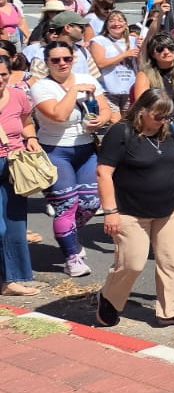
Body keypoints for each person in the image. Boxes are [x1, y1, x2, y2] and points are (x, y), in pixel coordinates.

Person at [93, 89, 174, 329]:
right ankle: (109, 298)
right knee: (132, 263)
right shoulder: (121, 133)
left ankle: (172, 310)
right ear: (142, 111)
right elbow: (104, 173)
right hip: (131, 211)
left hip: (169, 207)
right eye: (158, 116)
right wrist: (110, 211)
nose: (163, 121)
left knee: (171, 260)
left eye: (167, 117)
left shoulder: (167, 132)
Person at [33, 40, 117, 278]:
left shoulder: (87, 79)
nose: (62, 63)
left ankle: (67, 233)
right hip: (55, 151)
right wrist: (73, 90)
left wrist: (101, 120)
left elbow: (106, 109)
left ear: (74, 59)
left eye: (67, 58)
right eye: (56, 60)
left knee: (91, 202)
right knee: (67, 206)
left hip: (86, 149)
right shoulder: (42, 87)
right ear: (47, 63)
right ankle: (72, 257)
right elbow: (59, 115)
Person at [0, 42, 39, 296]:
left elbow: (26, 121)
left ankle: (10, 280)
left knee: (14, 224)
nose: (0, 80)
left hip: (14, 164)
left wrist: (31, 138)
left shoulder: (17, 95)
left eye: (3, 74)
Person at [90, 11, 140, 115]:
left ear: (126, 24)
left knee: (128, 121)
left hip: (130, 88)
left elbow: (142, 63)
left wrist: (142, 48)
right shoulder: (99, 40)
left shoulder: (134, 40)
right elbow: (101, 63)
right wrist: (124, 55)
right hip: (108, 89)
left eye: (120, 20)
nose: (116, 24)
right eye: (112, 21)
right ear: (106, 24)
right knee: (114, 122)